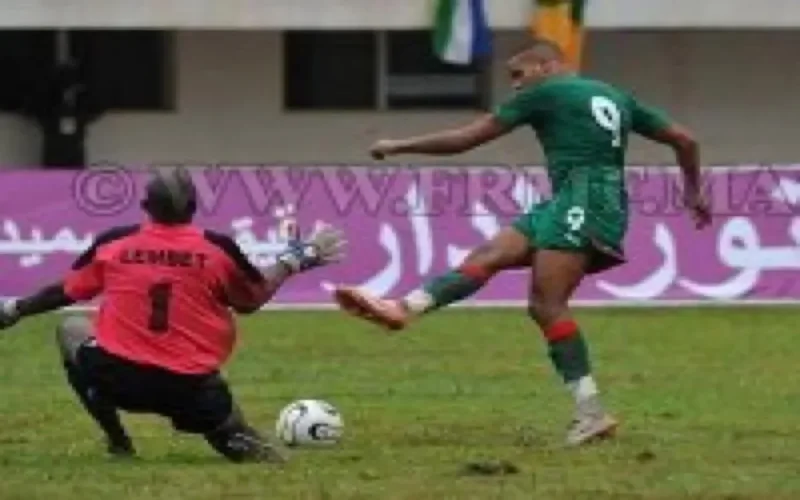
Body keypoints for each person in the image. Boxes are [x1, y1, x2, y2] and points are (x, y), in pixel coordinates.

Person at [333, 39, 712, 446]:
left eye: (519, 74)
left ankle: (591, 413)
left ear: (547, 66)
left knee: (546, 305)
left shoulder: (545, 93)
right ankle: (405, 308)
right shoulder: (614, 95)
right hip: (574, 200)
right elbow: (685, 140)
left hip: (585, 199)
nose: (515, 86)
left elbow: (466, 138)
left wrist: (399, 145)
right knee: (490, 254)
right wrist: (692, 190)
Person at [0, 168, 346, 463]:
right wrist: (294, 261)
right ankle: (253, 445)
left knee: (70, 329)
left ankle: (118, 441)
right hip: (190, 388)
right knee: (241, 444)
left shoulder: (114, 243)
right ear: (195, 207)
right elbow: (250, 300)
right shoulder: (216, 248)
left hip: (117, 378)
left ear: (145, 207)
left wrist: (15, 309)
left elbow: (64, 291)